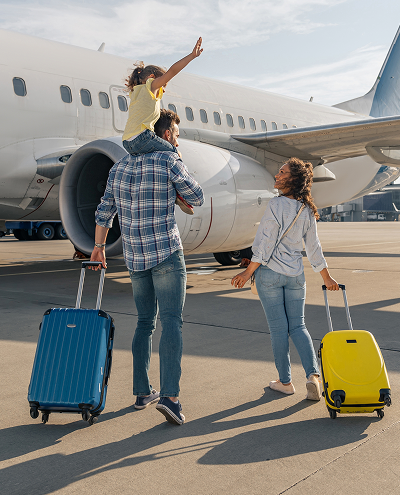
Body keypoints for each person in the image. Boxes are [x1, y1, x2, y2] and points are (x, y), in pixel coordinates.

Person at [90, 109, 204, 425]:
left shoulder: (120, 167)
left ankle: (142, 391)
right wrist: (177, 158)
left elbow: (103, 213)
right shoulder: (169, 160)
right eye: (176, 135)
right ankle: (170, 396)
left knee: (144, 323)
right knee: (172, 322)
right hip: (166, 254)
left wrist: (99, 248)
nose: (177, 139)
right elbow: (198, 194)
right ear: (166, 134)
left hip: (135, 258)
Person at [230, 158, 339, 400]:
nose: (277, 176)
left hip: (269, 275)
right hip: (295, 275)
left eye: (282, 173)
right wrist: (327, 277)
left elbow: (266, 243)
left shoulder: (276, 205)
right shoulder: (307, 209)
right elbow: (313, 248)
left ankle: (285, 382)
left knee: (279, 329)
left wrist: (248, 272)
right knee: (299, 326)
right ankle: (313, 377)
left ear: (293, 179)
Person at [122, 37, 203, 156]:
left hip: (127, 142)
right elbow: (172, 71)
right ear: (151, 77)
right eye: (163, 85)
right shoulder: (152, 86)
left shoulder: (135, 92)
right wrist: (191, 56)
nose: (163, 90)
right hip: (142, 138)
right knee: (176, 153)